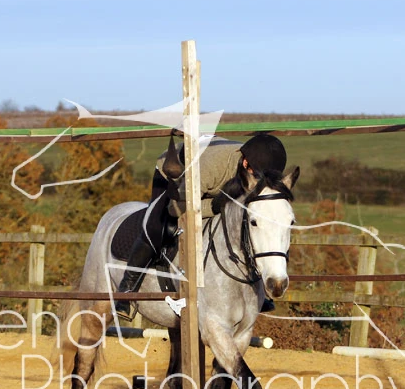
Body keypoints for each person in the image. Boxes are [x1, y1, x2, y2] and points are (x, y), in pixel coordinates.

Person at [114, 133, 288, 320]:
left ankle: (258, 289)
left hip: (207, 187)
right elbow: (176, 208)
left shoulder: (252, 171)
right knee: (158, 226)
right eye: (258, 177)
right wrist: (214, 206)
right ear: (245, 164)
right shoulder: (212, 166)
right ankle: (127, 290)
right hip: (176, 178)